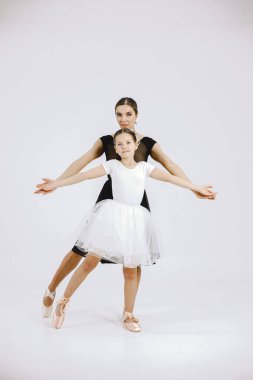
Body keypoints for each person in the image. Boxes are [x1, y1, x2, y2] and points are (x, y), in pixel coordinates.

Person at [35, 97, 216, 330]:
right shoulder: (109, 141)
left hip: (136, 206)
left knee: (133, 259)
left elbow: (171, 168)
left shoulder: (147, 144)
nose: (123, 119)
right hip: (109, 201)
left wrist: (194, 188)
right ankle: (51, 289)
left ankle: (128, 313)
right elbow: (81, 163)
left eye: (128, 114)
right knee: (82, 251)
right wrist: (58, 182)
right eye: (119, 114)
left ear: (137, 115)